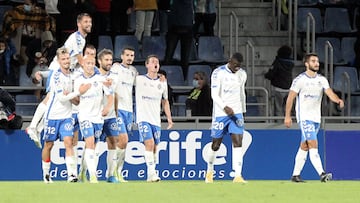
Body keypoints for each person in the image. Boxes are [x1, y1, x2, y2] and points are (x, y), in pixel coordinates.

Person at [26, 13, 92, 148]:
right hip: (58, 69)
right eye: (86, 22)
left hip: (64, 71)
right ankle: (32, 126)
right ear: (79, 24)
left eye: (90, 22)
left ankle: (38, 129)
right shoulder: (77, 38)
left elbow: (75, 62)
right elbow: (80, 59)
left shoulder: (81, 39)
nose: (89, 24)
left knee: (54, 101)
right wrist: (92, 71)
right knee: (50, 98)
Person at [284, 53, 344, 183]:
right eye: (313, 61)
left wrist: (338, 100)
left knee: (305, 146)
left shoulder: (322, 80)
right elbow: (290, 98)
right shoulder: (300, 80)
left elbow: (329, 93)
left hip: (316, 118)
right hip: (304, 118)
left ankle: (295, 175)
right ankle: (322, 174)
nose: (316, 63)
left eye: (317, 61)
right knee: (313, 144)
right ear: (307, 64)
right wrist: (287, 116)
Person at [41, 47, 88, 183]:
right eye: (63, 59)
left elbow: (76, 102)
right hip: (53, 116)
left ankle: (72, 175)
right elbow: (62, 98)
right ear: (58, 61)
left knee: (69, 142)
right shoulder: (56, 76)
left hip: (67, 116)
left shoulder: (73, 76)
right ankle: (46, 174)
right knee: (49, 145)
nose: (66, 61)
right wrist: (78, 92)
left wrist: (74, 95)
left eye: (68, 58)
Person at [205, 52, 247, 183]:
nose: (237, 68)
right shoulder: (218, 73)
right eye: (235, 65)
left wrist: (243, 110)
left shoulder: (242, 74)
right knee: (216, 144)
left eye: (239, 66)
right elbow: (214, 94)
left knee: (238, 141)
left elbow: (242, 93)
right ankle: (209, 171)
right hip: (221, 113)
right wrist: (225, 107)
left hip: (236, 112)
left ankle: (238, 175)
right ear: (230, 61)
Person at [74, 55, 113, 183]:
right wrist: (77, 93)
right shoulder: (78, 80)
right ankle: (93, 176)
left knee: (93, 146)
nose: (90, 65)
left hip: (98, 118)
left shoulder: (101, 79)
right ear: (83, 65)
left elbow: (110, 95)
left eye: (92, 63)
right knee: (90, 142)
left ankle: (82, 171)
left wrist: (107, 107)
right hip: (84, 116)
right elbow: (76, 100)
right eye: (88, 63)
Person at [135, 55, 173, 182]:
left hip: (155, 119)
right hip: (143, 118)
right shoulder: (139, 79)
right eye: (152, 62)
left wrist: (169, 118)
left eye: (157, 62)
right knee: (149, 143)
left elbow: (165, 101)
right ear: (147, 65)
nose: (155, 64)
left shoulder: (162, 82)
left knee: (155, 147)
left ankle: (150, 175)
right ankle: (152, 173)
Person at [110, 46, 138, 182]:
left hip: (129, 111)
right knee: (123, 140)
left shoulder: (134, 71)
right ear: (122, 56)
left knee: (124, 144)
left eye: (132, 55)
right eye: (127, 55)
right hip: (118, 109)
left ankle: (118, 172)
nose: (129, 58)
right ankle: (113, 172)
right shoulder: (116, 68)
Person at [95, 48, 120, 183]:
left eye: (111, 60)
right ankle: (91, 174)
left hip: (110, 116)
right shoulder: (94, 76)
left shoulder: (115, 77)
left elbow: (115, 95)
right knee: (94, 144)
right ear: (100, 61)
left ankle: (111, 175)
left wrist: (116, 113)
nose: (109, 62)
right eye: (106, 60)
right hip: (96, 116)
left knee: (113, 142)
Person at [163, 0, 194, 77]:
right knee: (185, 57)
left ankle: (164, 76)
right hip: (187, 25)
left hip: (175, 26)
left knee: (169, 55)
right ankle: (184, 78)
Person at [264, 45, 294, 117]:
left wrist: (266, 75)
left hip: (278, 88)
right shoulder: (291, 64)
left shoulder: (277, 62)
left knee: (278, 108)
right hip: (289, 88)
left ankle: (278, 125)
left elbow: (271, 74)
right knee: (287, 108)